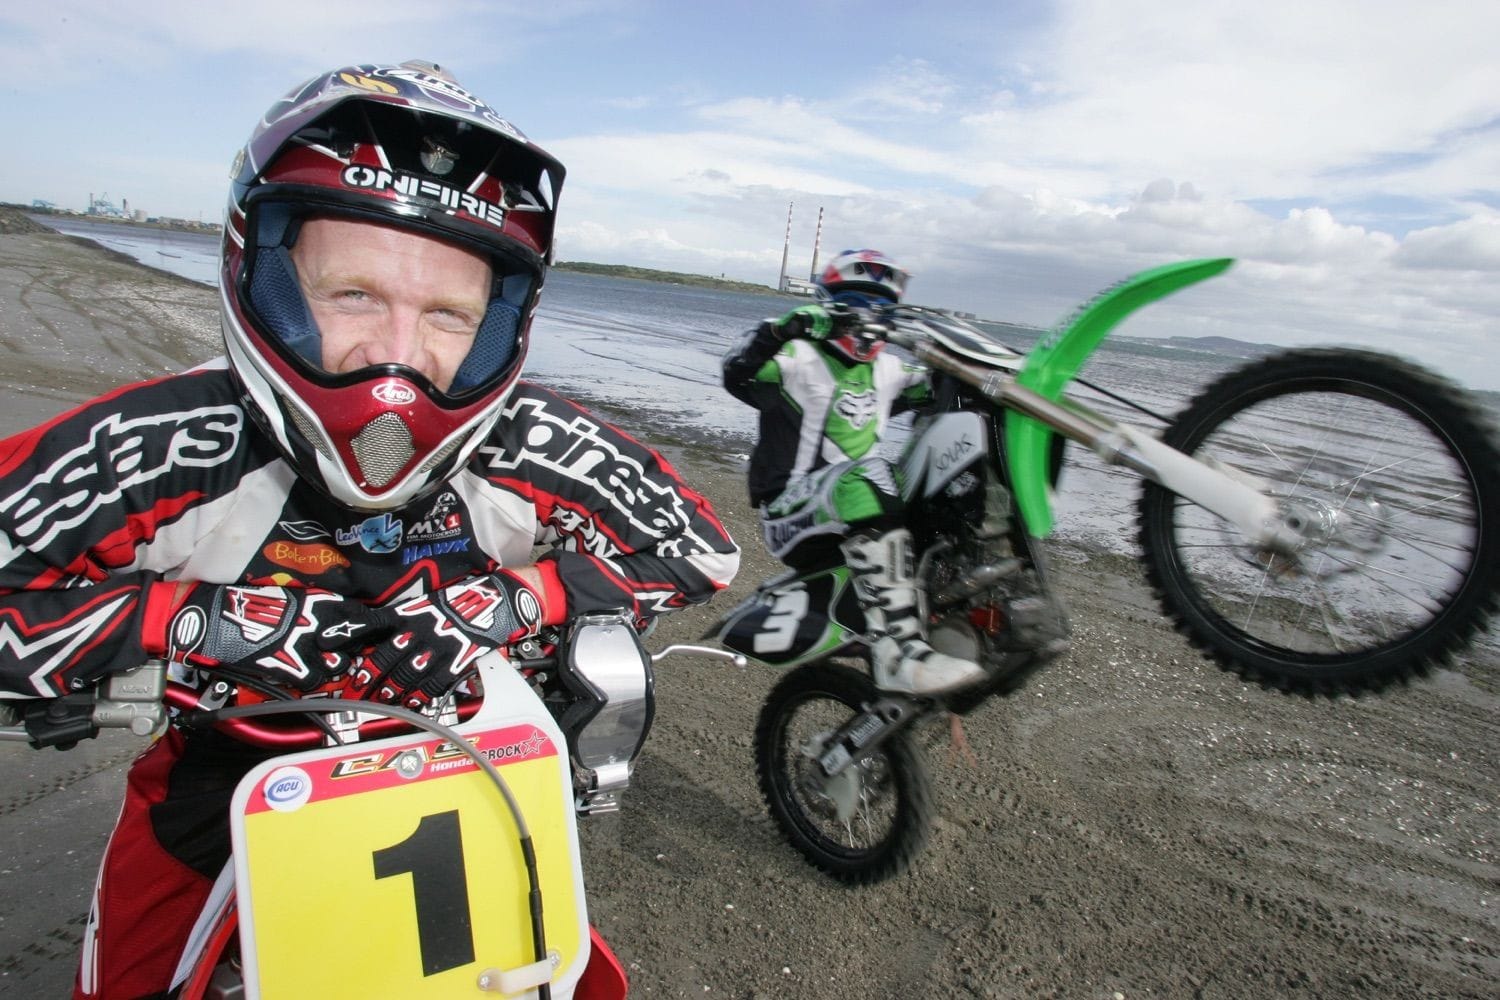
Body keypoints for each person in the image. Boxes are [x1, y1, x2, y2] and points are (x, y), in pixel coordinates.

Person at [0, 60, 739, 999]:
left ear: (498, 323)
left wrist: (514, 602)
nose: (397, 353)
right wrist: (187, 623)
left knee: (563, 980)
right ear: (263, 273)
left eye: (447, 313)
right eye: (353, 293)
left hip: (461, 770)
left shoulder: (529, 439)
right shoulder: (165, 445)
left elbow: (700, 544)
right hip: (223, 780)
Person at [722, 249, 984, 696]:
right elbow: (737, 371)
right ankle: (897, 652)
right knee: (868, 474)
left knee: (946, 473)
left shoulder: (890, 369)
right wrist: (783, 328)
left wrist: (967, 366)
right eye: (855, 302)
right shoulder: (795, 358)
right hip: (791, 510)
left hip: (854, 505)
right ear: (828, 303)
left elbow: (946, 392)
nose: (867, 315)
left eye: (879, 306)